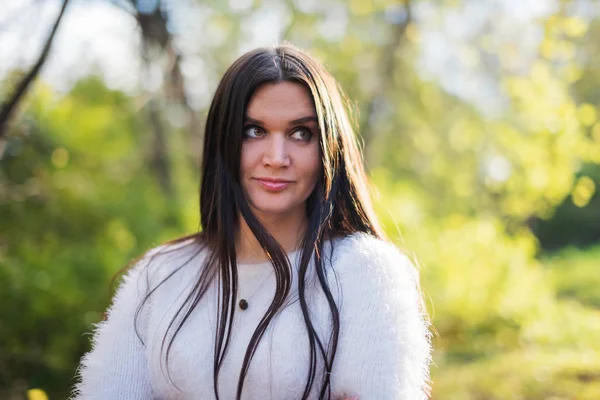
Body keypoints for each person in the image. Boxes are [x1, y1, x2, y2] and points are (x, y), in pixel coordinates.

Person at [71, 44, 431, 400]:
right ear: (223, 140)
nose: (276, 158)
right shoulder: (160, 275)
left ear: (327, 149)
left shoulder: (366, 272)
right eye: (254, 131)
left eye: (300, 133)